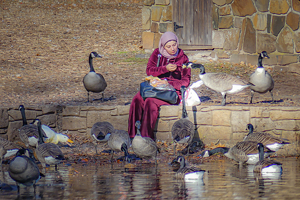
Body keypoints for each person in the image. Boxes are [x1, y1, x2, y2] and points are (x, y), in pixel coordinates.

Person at [128, 32, 191, 140]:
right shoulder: (157, 54)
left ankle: (146, 139)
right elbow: (149, 71)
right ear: (163, 46)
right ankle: (132, 136)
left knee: (150, 102)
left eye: (174, 45)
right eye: (168, 46)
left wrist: (169, 83)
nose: (172, 49)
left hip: (171, 93)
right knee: (137, 99)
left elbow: (186, 81)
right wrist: (164, 68)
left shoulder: (183, 58)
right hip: (155, 88)